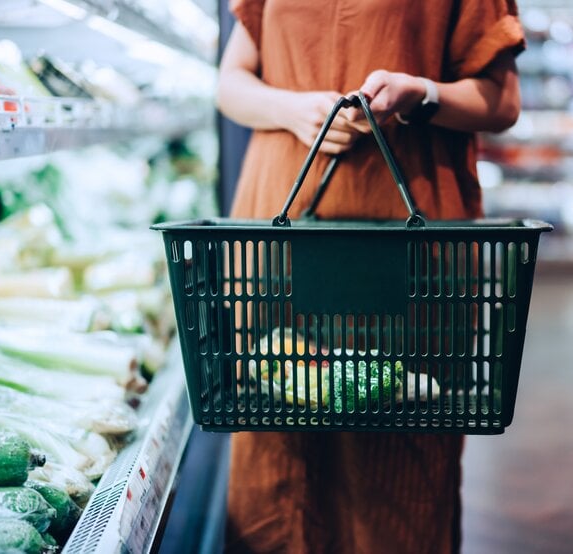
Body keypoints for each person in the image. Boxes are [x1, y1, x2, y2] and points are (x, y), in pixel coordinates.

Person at [216, 1, 525, 552]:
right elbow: (230, 82)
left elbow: (501, 101)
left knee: (403, 435)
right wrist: (290, 109)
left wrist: (422, 94)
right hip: (280, 225)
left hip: (406, 232)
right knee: (273, 427)